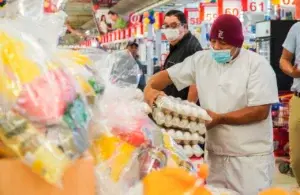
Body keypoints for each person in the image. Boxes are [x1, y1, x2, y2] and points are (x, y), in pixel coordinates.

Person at [144, 14, 278, 195]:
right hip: (215, 157)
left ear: (238, 43)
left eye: (223, 44)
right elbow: (167, 76)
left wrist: (220, 118)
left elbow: (260, 111)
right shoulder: (202, 60)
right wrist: (149, 89)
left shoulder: (257, 66)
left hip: (250, 160)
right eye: (213, 41)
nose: (216, 47)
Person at [161, 10, 202, 103]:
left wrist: (189, 109)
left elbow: (196, 83)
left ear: (185, 26)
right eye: (166, 26)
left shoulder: (191, 47)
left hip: (182, 109)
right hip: (173, 104)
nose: (169, 29)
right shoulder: (177, 44)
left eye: (174, 25)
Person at [280, 22, 300, 187]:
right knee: (297, 158)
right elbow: (284, 59)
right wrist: (292, 72)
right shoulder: (297, 28)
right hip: (299, 98)